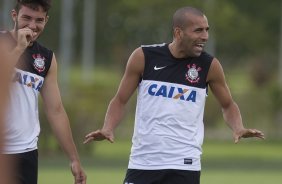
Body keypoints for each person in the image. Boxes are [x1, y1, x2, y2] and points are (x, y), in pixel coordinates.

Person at [84, 6, 265, 184]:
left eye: (206, 30)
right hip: (143, 161)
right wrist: (108, 127)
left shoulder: (209, 66)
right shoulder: (144, 57)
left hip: (185, 164)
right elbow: (120, 100)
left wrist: (238, 128)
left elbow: (228, 105)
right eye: (198, 30)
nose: (205, 36)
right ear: (178, 33)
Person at [0, 0, 87, 184]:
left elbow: (55, 110)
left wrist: (74, 159)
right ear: (14, 16)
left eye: (39, 20)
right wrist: (19, 49)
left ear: (46, 20)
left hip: (25, 153)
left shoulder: (46, 58)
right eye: (26, 18)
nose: (32, 26)